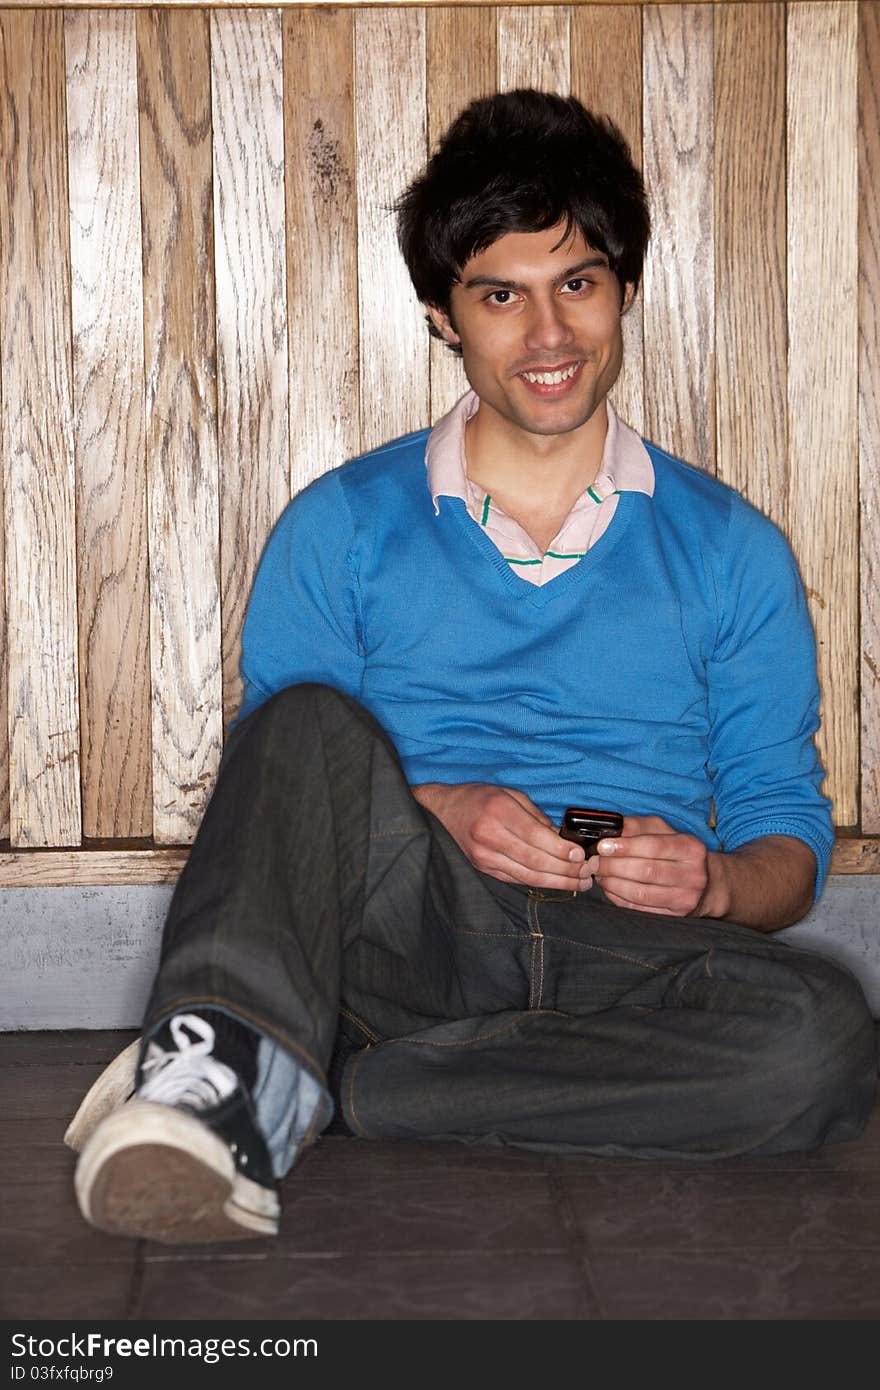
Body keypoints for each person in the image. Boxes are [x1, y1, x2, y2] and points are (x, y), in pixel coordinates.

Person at [67, 89, 877, 1245]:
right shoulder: (340, 523)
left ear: (625, 290)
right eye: (501, 294)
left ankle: (335, 1086)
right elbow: (284, 792)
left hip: (631, 959)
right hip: (409, 935)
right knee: (296, 720)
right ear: (446, 316)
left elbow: (781, 836)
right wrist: (438, 805)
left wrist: (709, 883)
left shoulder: (732, 549)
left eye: (578, 284)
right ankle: (225, 1071)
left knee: (824, 1037)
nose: (548, 337)